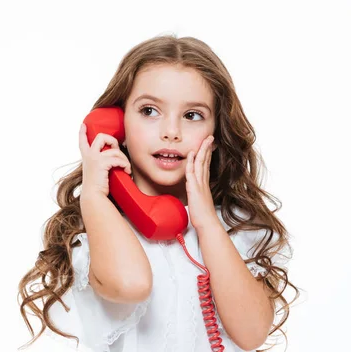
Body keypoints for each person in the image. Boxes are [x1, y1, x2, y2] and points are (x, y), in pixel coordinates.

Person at [18, 35, 299, 352]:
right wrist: (95, 196)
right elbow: (131, 283)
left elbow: (252, 334)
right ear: (118, 124)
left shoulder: (234, 228)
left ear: (217, 134)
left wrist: (206, 222)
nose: (171, 131)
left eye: (192, 115)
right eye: (149, 110)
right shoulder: (99, 229)